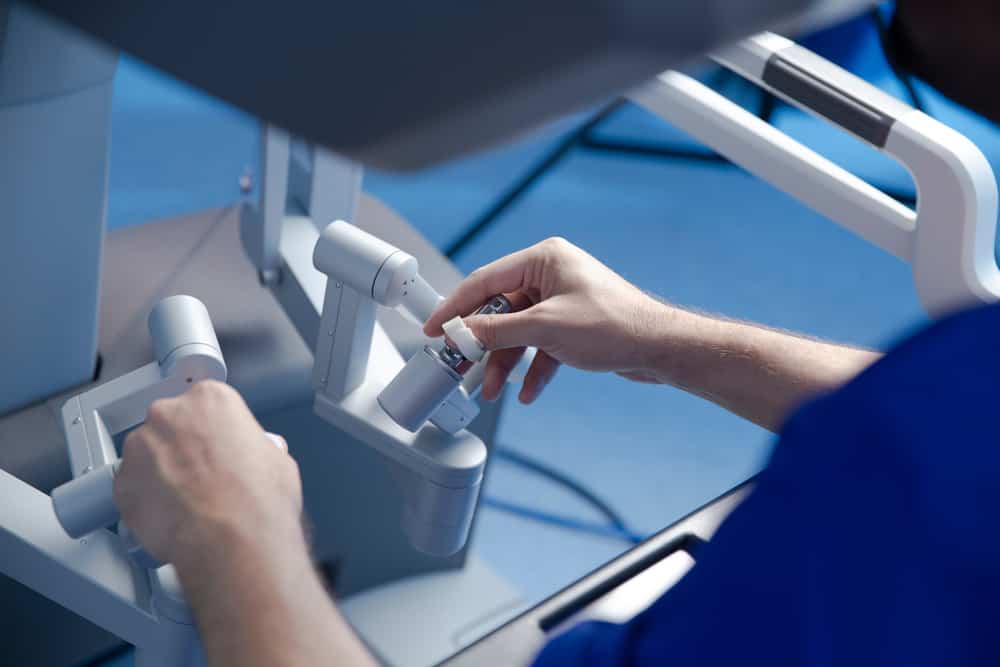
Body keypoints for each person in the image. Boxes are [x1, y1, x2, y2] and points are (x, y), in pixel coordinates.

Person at [113, 3, 1000, 663]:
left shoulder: (904, 480)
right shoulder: (936, 420)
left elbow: (933, 447)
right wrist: (664, 338)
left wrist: (229, 533)